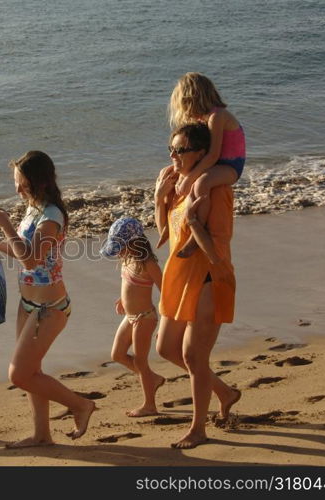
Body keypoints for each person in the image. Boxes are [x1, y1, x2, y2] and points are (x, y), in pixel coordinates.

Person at [0, 151, 95, 448]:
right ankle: (42, 434)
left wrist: (5, 226)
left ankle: (81, 405)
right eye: (15, 182)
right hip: (28, 304)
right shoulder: (33, 208)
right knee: (32, 372)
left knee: (19, 375)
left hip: (50, 308)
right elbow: (23, 252)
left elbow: (31, 260)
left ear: (39, 183)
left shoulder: (52, 216)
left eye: (22, 183)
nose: (17, 189)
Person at [154, 124, 242, 449]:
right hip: (179, 279)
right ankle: (225, 392)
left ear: (202, 154)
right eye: (170, 149)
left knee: (193, 355)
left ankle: (198, 428)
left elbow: (217, 255)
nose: (173, 156)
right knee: (165, 348)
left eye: (180, 150)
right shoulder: (181, 186)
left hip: (210, 279)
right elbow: (166, 237)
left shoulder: (216, 192)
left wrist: (193, 222)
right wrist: (158, 198)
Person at [168, 72, 246, 258]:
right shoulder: (204, 118)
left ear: (192, 99)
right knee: (178, 175)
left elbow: (212, 155)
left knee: (202, 183)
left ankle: (197, 235)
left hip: (231, 165)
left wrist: (188, 179)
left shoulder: (216, 117)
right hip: (217, 163)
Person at [101, 217, 164, 417]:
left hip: (145, 318)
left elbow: (166, 292)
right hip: (130, 316)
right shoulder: (126, 259)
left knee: (140, 362)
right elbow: (130, 284)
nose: (117, 251)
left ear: (133, 243)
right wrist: (123, 299)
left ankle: (150, 405)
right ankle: (151, 379)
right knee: (117, 354)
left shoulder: (148, 263)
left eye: (120, 246)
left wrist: (165, 324)